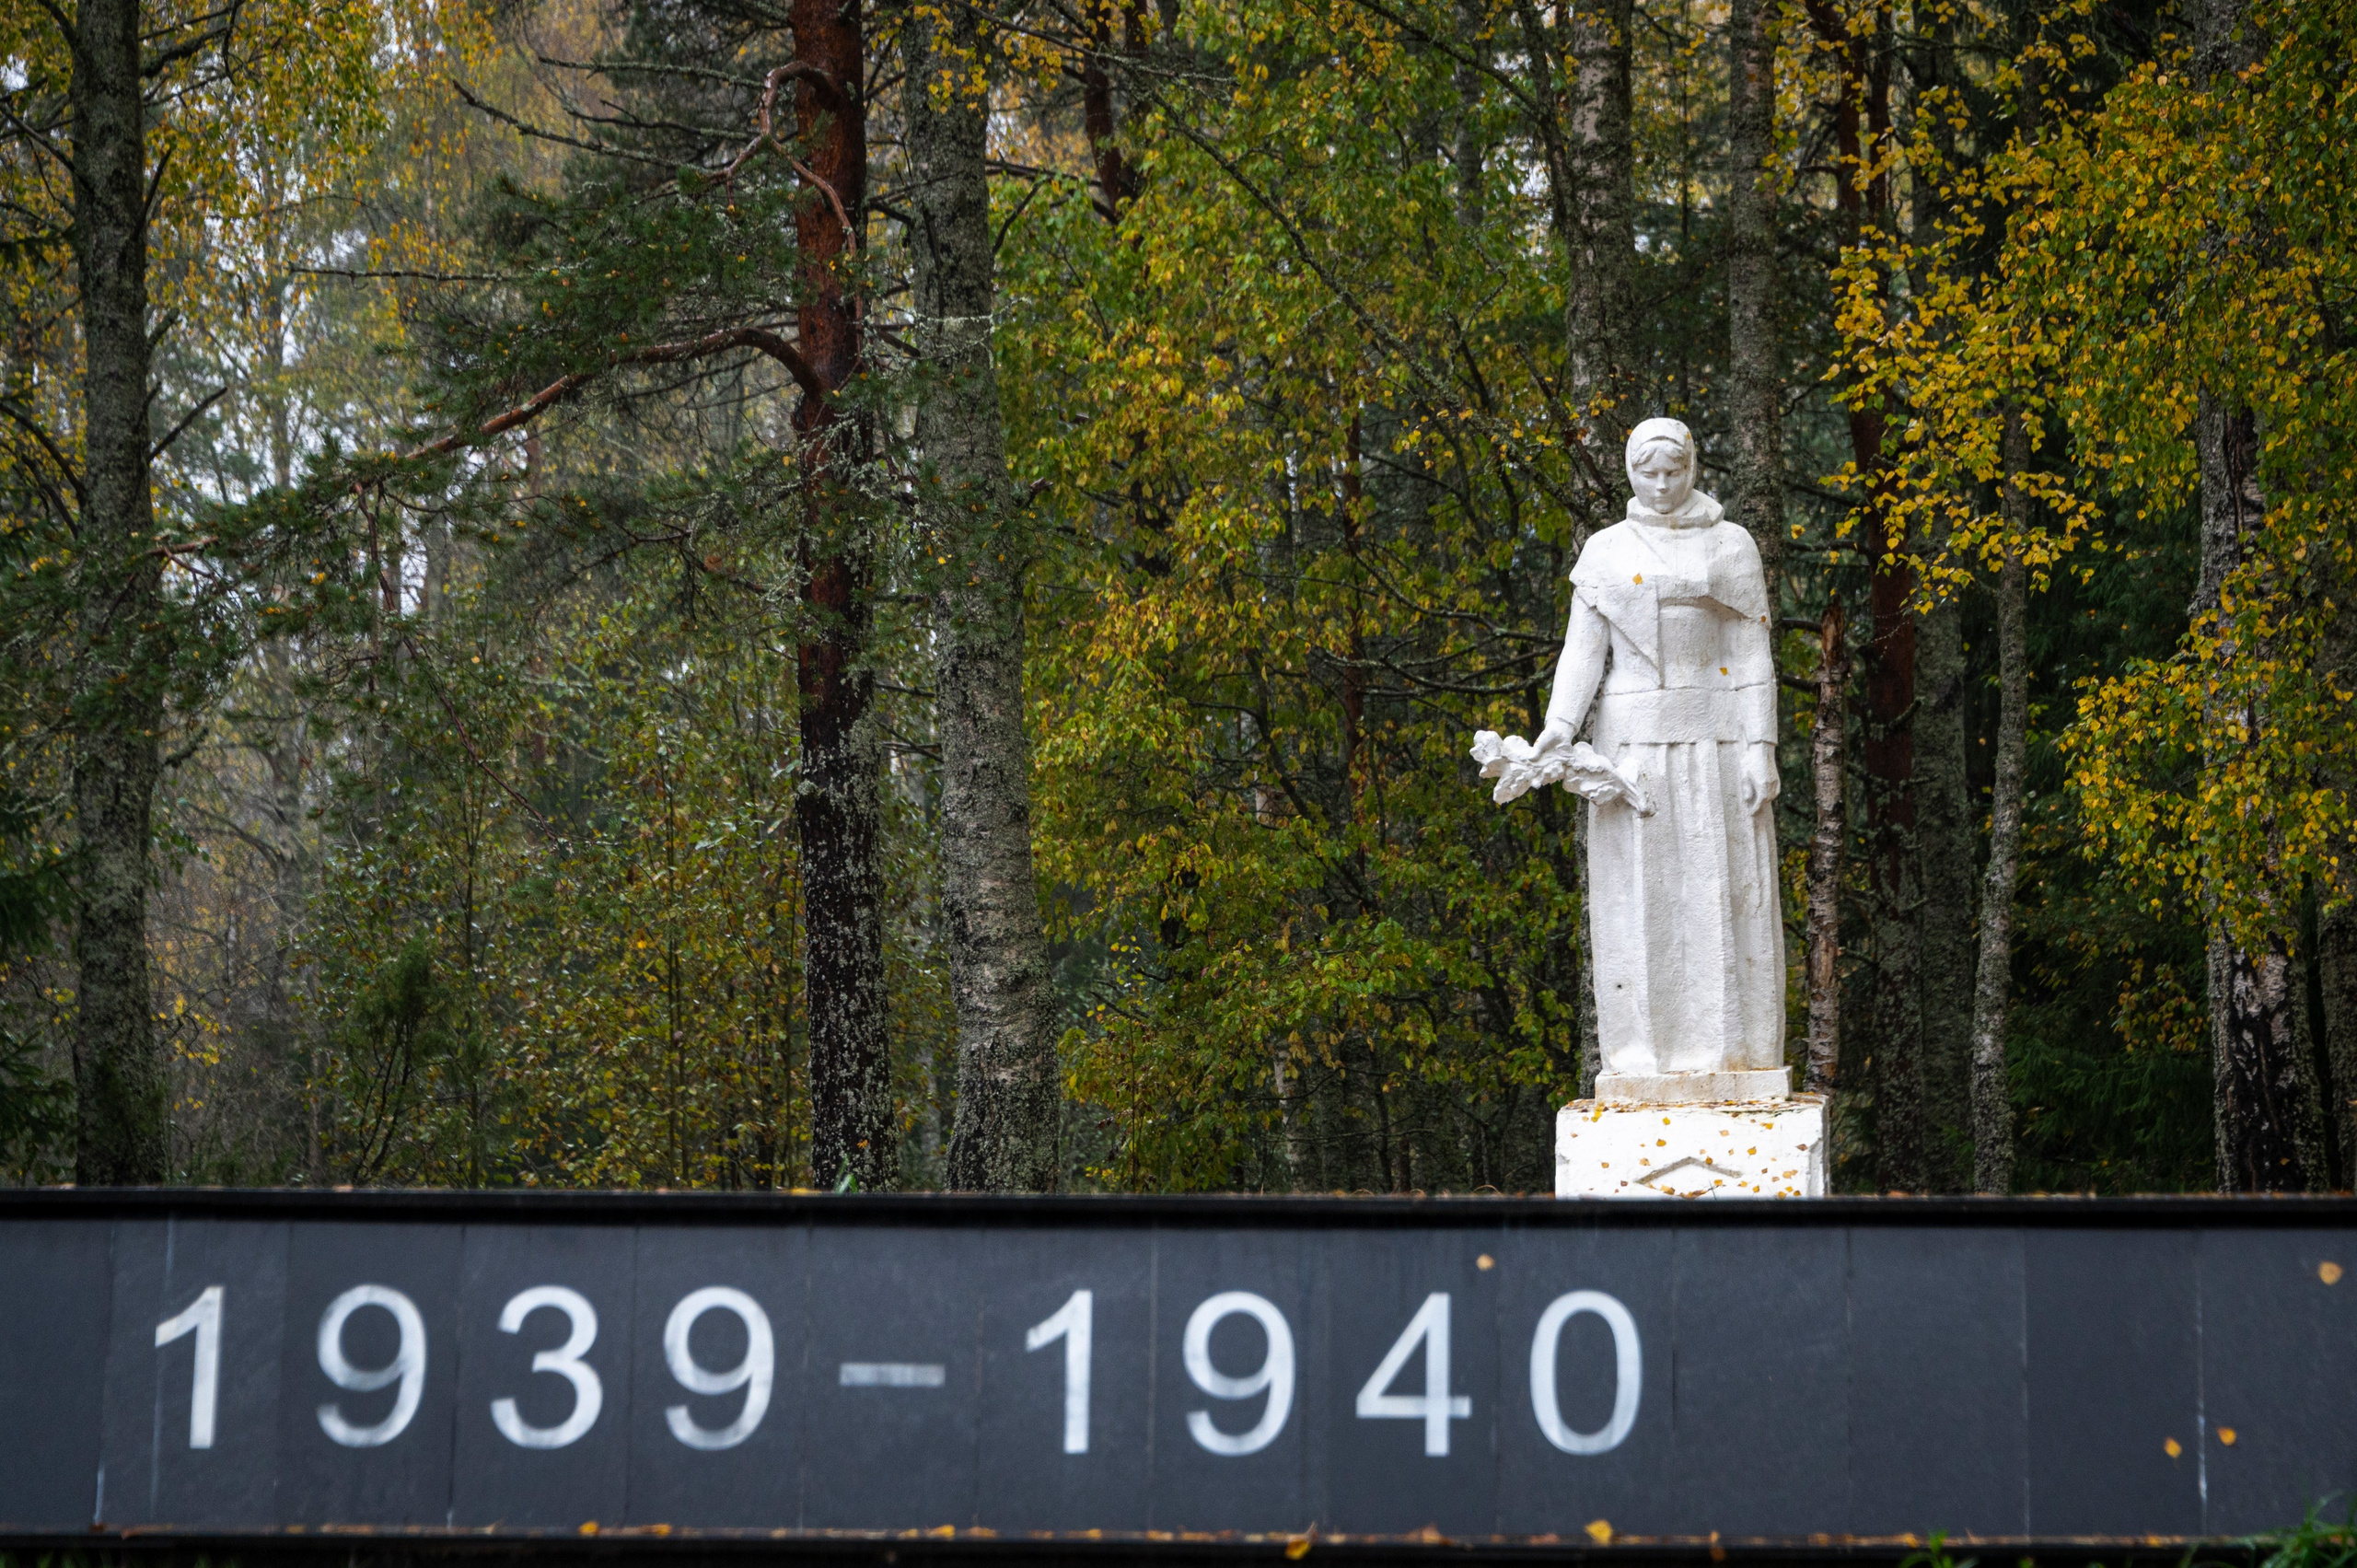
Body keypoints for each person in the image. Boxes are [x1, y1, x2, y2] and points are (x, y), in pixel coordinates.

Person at [1531, 417, 1787, 1099]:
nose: (1664, 484)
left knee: (1721, 893)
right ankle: (1640, 1055)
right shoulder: (1608, 551)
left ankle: (1733, 1051)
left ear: (1693, 467)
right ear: (1630, 472)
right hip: (1632, 753)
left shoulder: (1733, 546)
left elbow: (1753, 652)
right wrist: (1560, 726)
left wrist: (1761, 746)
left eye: (1674, 470)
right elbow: (1582, 651)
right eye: (1649, 472)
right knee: (1642, 899)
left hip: (1716, 746)